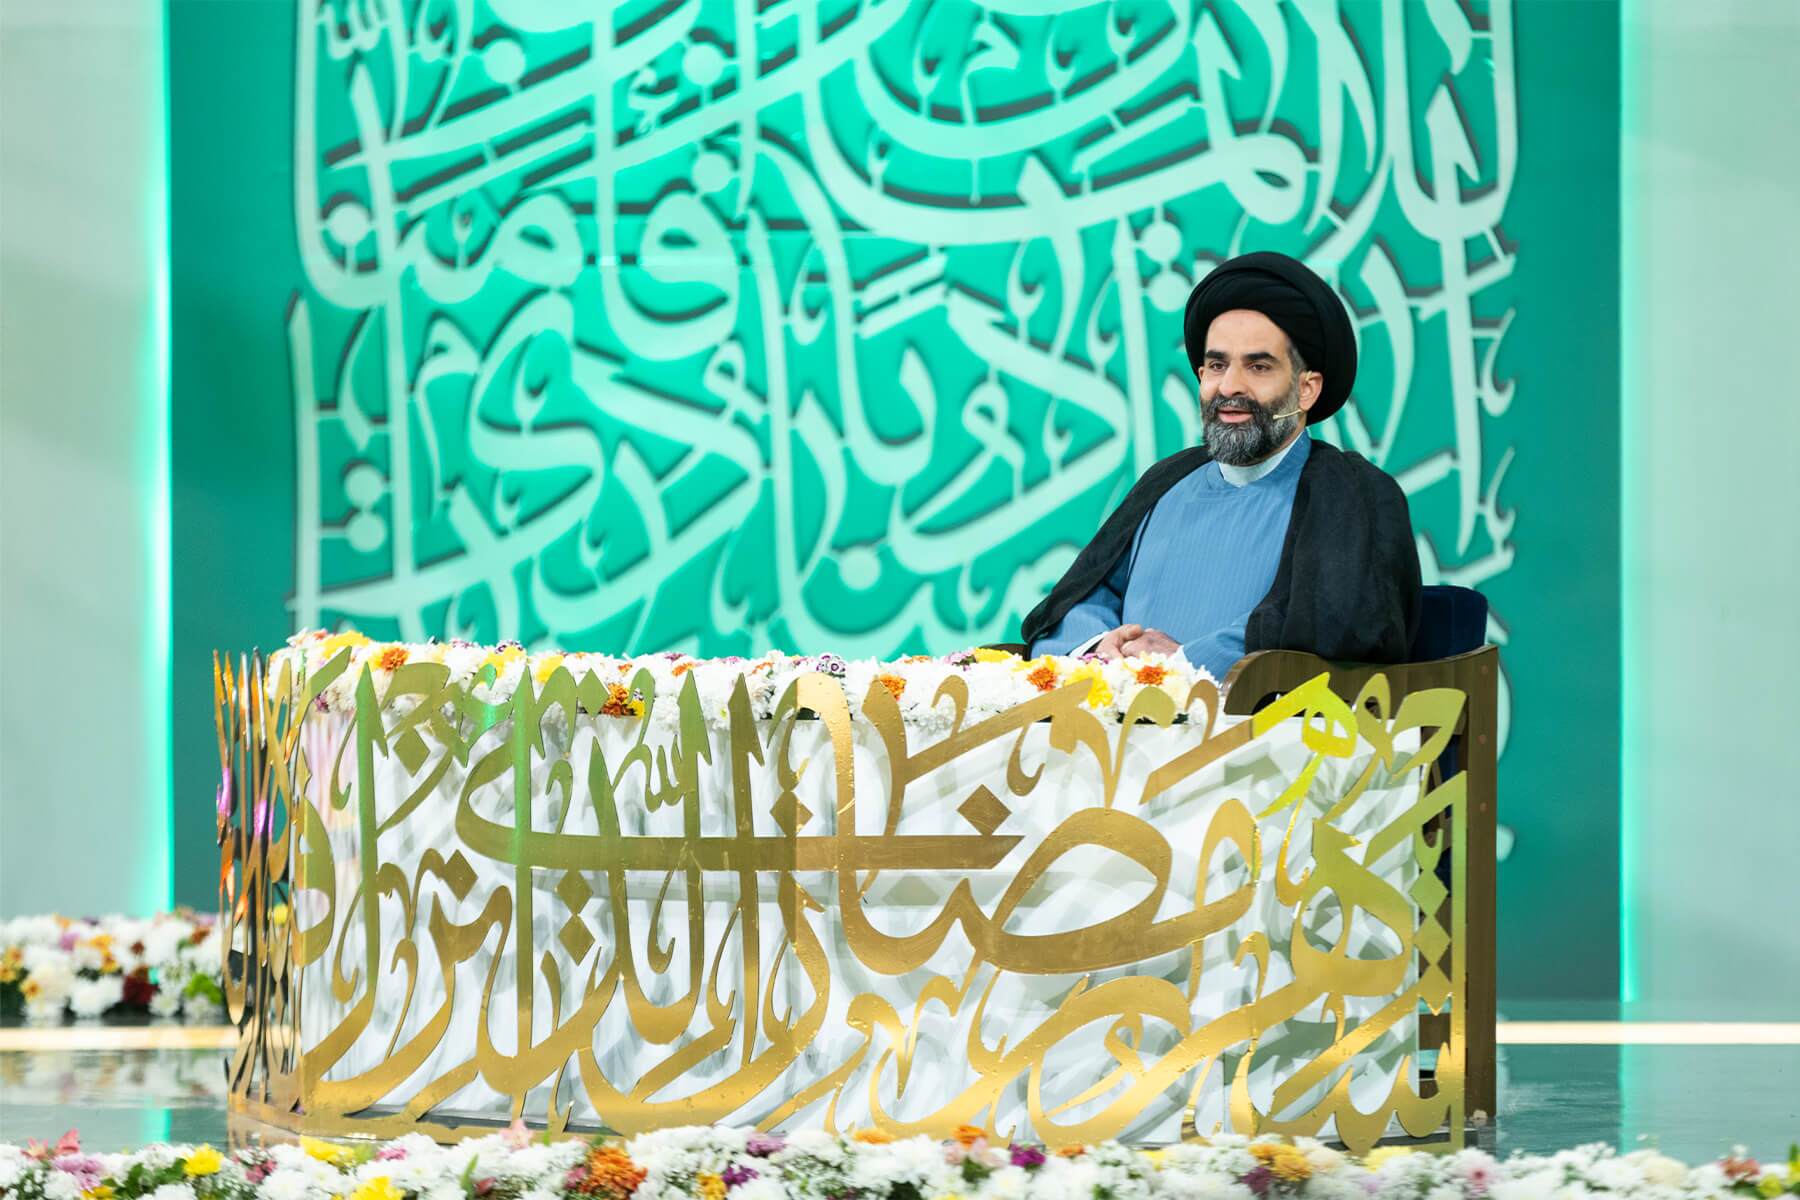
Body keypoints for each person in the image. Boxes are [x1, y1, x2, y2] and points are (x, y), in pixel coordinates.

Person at [1021, 251, 1421, 680]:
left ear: (1306, 389)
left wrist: (1183, 663)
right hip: (1123, 713)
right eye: (1217, 365)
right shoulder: (1168, 481)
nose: (1229, 387)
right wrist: (1102, 645)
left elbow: (1335, 625)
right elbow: (1080, 598)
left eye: (1258, 367)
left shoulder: (1349, 492)